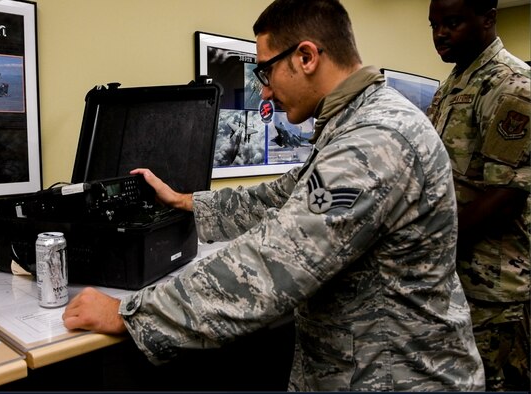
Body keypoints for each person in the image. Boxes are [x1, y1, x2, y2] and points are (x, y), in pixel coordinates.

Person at [63, 0, 485, 390]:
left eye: (265, 72)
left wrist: (131, 313)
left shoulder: (374, 139)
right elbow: (280, 197)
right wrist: (183, 201)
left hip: (399, 377)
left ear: (306, 57)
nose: (263, 91)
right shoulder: (355, 123)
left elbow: (275, 263)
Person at [427, 0, 530, 391]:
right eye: (434, 25)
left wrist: (430, 244)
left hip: (493, 288)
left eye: (452, 22)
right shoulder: (452, 85)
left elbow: (506, 196)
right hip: (454, 277)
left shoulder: (512, 85)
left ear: (488, 19)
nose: (440, 34)